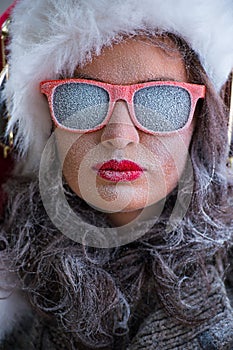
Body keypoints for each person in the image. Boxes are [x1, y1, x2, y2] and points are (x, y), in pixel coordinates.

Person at [0, 0, 233, 349]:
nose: (119, 135)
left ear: (201, 122)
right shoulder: (10, 287)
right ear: (49, 124)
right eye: (80, 100)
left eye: (160, 101)